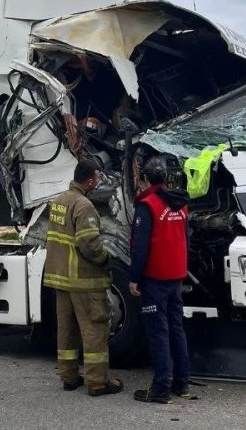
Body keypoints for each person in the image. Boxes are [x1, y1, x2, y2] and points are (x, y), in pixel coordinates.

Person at [43, 159, 124, 396]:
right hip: (82, 279)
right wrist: (106, 260)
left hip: (61, 278)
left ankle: (69, 377)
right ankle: (97, 381)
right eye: (97, 178)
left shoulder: (59, 201)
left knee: (66, 330)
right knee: (94, 330)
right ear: (89, 180)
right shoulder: (84, 205)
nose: (98, 182)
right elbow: (88, 243)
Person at [129, 156, 192, 403]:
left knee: (158, 333)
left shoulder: (148, 206)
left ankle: (160, 389)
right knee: (177, 330)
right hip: (176, 276)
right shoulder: (180, 204)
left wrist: (134, 278)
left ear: (145, 179)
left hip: (155, 278)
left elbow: (140, 246)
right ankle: (182, 383)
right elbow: (187, 238)